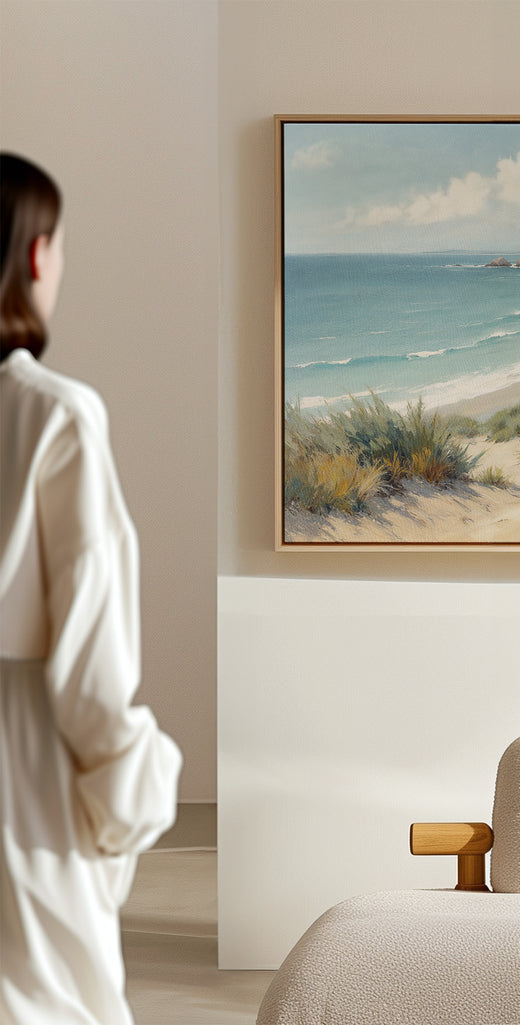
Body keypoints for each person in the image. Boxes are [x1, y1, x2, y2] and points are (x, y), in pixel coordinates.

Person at [0, 153, 182, 1025]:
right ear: (36, 255)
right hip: (20, 768)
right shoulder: (54, 415)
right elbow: (89, 669)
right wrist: (132, 790)